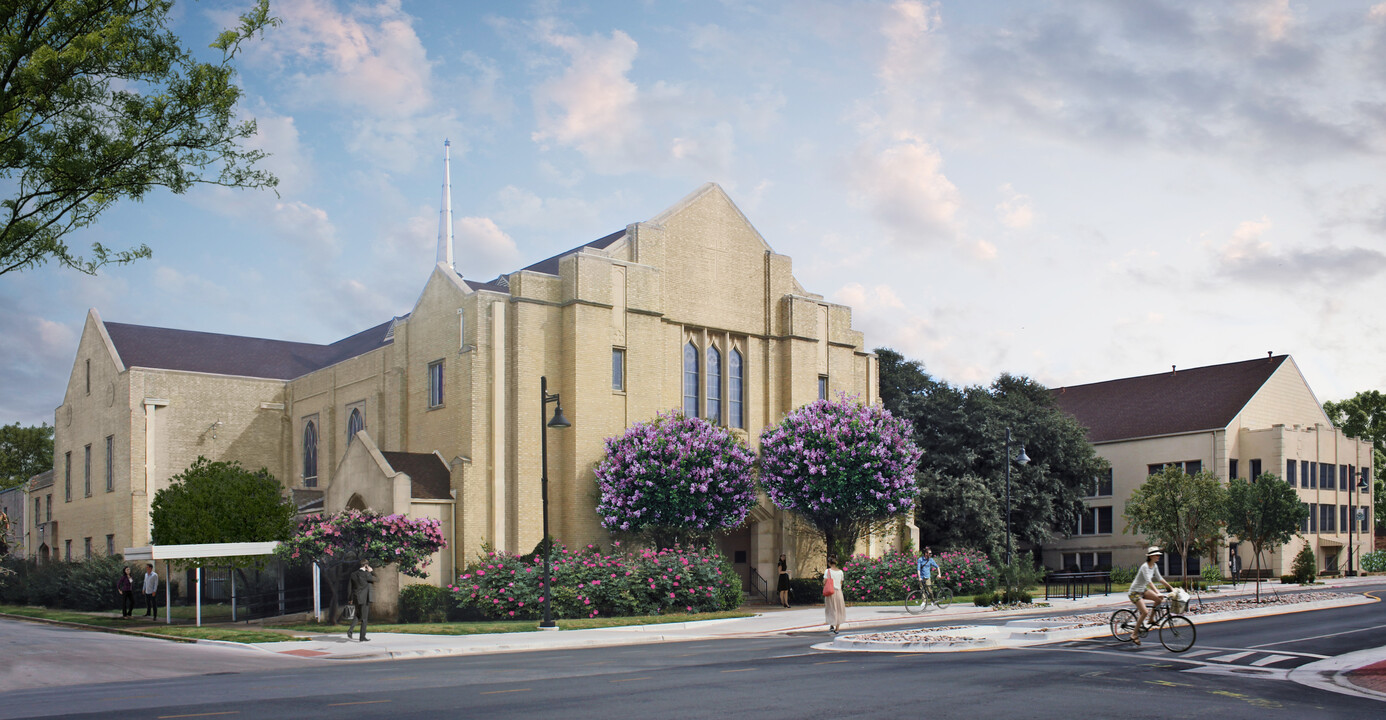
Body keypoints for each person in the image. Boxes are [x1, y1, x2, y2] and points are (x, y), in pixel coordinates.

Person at [1128, 547, 1175, 646]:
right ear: (1151, 556)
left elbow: (1160, 578)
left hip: (1143, 590)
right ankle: (1134, 634)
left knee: (1158, 599)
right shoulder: (1145, 566)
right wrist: (1157, 591)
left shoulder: (1154, 566)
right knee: (1145, 612)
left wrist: (1171, 588)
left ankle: (1151, 620)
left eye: (1159, 555)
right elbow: (1149, 581)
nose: (1158, 556)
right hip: (1134, 592)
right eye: (1157, 555)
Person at [347, 560, 376, 641]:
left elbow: (350, 587)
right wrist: (372, 571)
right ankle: (362, 637)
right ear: (366, 565)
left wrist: (350, 599)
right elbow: (377, 579)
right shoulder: (367, 574)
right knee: (364, 618)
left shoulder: (353, 574)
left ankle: (350, 630)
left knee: (358, 615)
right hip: (364, 598)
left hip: (356, 598)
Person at [823, 556, 846, 634]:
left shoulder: (828, 571)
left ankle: (831, 624)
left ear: (829, 563)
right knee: (839, 609)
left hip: (831, 592)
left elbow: (824, 581)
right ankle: (837, 628)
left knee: (831, 609)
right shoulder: (840, 572)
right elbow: (841, 582)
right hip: (839, 592)